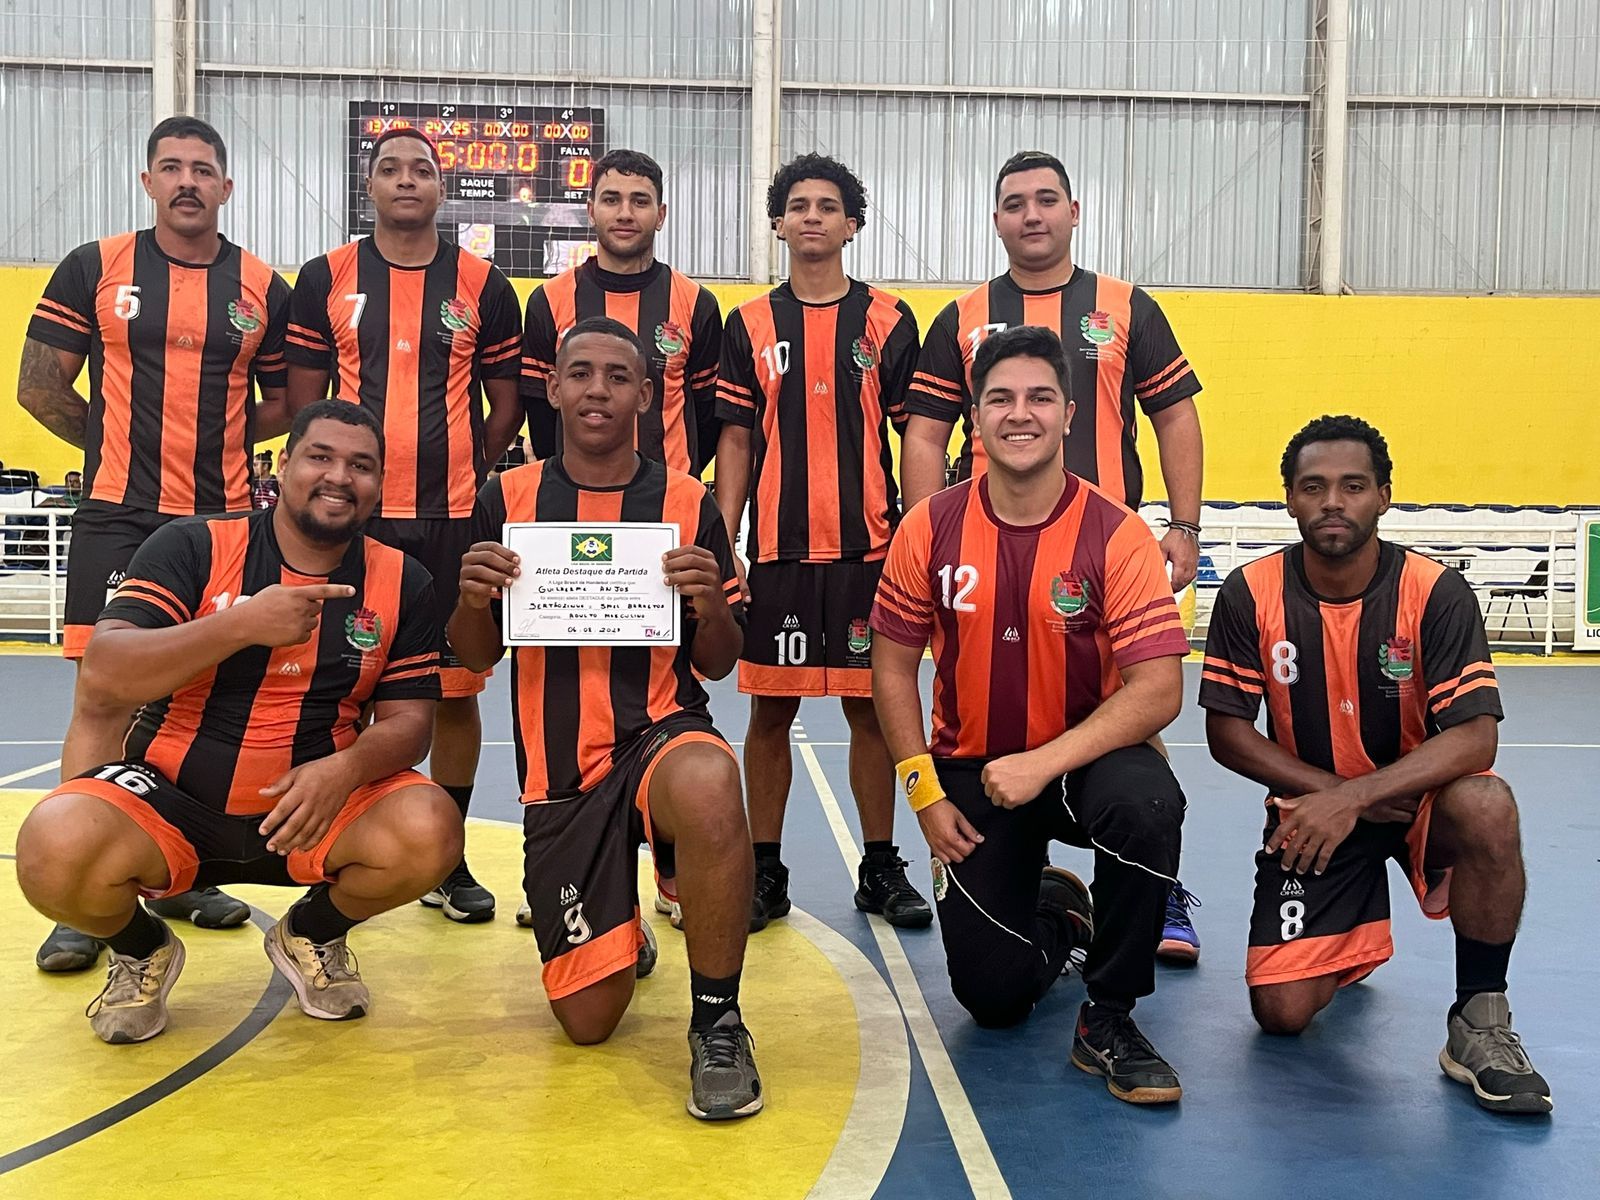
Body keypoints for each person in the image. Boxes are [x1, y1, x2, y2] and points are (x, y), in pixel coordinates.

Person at [14, 400, 462, 1045]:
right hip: (170, 802)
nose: (339, 477)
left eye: (360, 466)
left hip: (312, 808)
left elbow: (409, 725)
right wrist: (240, 625)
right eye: (320, 457)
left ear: (377, 485)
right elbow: (108, 671)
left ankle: (312, 935)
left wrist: (346, 769)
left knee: (430, 828)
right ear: (283, 466)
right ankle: (142, 949)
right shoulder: (195, 544)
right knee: (52, 845)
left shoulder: (403, 579)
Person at [449, 316, 763, 1121]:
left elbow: (720, 660)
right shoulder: (506, 497)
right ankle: (622, 919)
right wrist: (470, 595)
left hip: (659, 731)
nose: (597, 389)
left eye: (617, 377)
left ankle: (718, 1020)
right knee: (588, 1024)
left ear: (646, 395)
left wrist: (708, 601)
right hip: (561, 775)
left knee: (709, 779)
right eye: (579, 373)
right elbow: (475, 655)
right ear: (551, 388)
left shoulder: (687, 502)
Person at [899, 149, 1208, 960]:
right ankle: (1030, 879)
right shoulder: (963, 317)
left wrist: (1183, 526)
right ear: (996, 220)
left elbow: (1174, 416)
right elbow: (926, 432)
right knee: (992, 693)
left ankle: (1153, 885)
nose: (1031, 215)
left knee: (1127, 704)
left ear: (1075, 213)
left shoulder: (1125, 306)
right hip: (987, 536)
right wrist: (922, 530)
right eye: (1014, 204)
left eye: (1046, 201)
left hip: (1104, 543)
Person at [871, 326, 1189, 1106]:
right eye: (1001, 399)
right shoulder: (929, 527)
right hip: (973, 772)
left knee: (1147, 804)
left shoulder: (1116, 533)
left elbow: (1157, 690)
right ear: (975, 418)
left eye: (1040, 397)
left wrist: (1043, 763)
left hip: (1085, 763)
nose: (1022, 414)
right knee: (993, 1001)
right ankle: (1059, 913)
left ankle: (1109, 1016)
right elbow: (889, 665)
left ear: (1070, 414)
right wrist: (925, 793)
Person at [1199, 414, 1552, 1115]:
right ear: (1290, 499)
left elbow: (1475, 737)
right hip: (1315, 809)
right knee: (1282, 1015)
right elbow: (1228, 733)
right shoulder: (1249, 593)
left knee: (1486, 800)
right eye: (1314, 486)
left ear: (1384, 497)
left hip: (1418, 803)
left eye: (1353, 486)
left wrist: (1358, 795)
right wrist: (1335, 797)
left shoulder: (1434, 592)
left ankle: (1479, 1020)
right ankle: (1349, 933)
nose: (1333, 501)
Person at [18, 115, 294, 970]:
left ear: (226, 187)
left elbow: (285, 401)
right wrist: (114, 451)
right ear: (147, 182)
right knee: (102, 698)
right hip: (116, 514)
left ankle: (177, 873)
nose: (187, 182)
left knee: (193, 698)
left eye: (203, 170)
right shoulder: (95, 265)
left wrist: (215, 445)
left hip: (221, 523)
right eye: (171, 168)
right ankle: (83, 890)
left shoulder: (261, 286)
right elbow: (39, 387)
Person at [286, 126, 524, 923]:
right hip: (353, 526)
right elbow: (306, 405)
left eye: (421, 169)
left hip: (452, 521)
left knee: (454, 692)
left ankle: (446, 858)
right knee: (332, 681)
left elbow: (506, 407)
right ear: (371, 185)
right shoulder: (326, 277)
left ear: (440, 186)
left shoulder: (484, 285)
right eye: (390, 169)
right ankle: (321, 837)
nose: (406, 181)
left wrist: (468, 471)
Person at [714, 154, 930, 931]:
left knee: (873, 712)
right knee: (770, 717)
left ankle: (880, 866)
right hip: (776, 555)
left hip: (870, 556)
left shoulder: (889, 320)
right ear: (777, 223)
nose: (811, 216)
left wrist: (918, 533)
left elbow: (917, 434)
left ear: (852, 225)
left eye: (828, 206)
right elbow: (735, 438)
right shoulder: (748, 325)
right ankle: (765, 869)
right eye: (797, 205)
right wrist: (726, 538)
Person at [520, 149, 722, 474]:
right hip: (573, 502)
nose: (625, 213)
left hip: (669, 504)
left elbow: (708, 416)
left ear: (661, 215)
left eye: (640, 202)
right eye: (611, 200)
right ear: (591, 210)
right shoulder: (549, 300)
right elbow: (542, 412)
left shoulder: (697, 303)